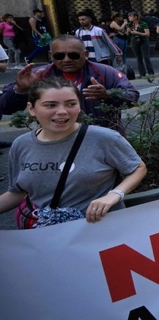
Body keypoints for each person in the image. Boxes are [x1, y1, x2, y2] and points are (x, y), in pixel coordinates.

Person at [0, 77, 147, 226]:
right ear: (32, 109)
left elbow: (137, 168)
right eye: (50, 105)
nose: (62, 111)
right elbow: (17, 192)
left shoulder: (104, 138)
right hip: (44, 236)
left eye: (71, 104)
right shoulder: (21, 145)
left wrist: (115, 194)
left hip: (100, 230)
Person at [0, 35, 139, 130]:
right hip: (56, 140)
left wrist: (108, 95)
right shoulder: (37, 75)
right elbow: (5, 108)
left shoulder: (105, 72)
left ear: (85, 54)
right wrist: (21, 90)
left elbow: (132, 97)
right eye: (59, 55)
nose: (66, 60)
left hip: (103, 139)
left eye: (73, 55)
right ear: (51, 56)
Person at [126, 11, 155, 81]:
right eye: (129, 16)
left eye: (131, 16)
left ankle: (150, 72)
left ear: (135, 17)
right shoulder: (130, 24)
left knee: (146, 57)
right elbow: (127, 34)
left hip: (143, 40)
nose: (129, 18)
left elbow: (147, 34)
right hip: (134, 41)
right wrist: (128, 31)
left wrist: (137, 33)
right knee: (138, 58)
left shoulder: (143, 24)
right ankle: (142, 73)